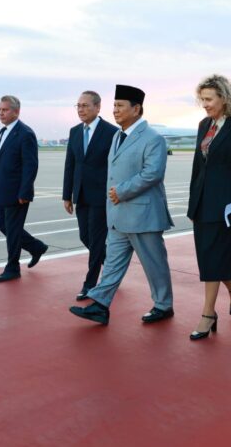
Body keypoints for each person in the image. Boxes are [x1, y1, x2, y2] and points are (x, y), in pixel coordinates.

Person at [69, 85, 174, 326]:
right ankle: (100, 305)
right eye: (114, 106)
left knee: (154, 264)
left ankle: (163, 305)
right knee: (112, 264)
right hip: (118, 215)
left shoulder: (153, 138)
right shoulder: (117, 136)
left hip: (143, 214)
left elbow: (153, 173)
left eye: (120, 106)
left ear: (136, 109)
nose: (115, 110)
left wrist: (122, 191)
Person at [187, 74, 231, 340]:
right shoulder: (204, 125)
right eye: (202, 99)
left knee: (213, 258)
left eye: (208, 99)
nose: (204, 104)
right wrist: (193, 203)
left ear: (224, 99)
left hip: (224, 205)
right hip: (202, 203)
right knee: (209, 256)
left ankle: (208, 314)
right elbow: (197, 167)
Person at [62, 91, 118, 301]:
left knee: (96, 240)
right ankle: (113, 270)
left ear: (97, 107)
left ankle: (90, 284)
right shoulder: (75, 131)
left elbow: (116, 166)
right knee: (85, 236)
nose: (81, 109)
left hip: (102, 196)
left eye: (85, 105)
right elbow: (70, 164)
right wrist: (67, 195)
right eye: (78, 106)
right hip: (81, 194)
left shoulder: (111, 132)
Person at [0, 95, 48, 283]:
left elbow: (31, 165)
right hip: (3, 190)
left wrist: (25, 191)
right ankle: (36, 247)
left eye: (5, 110)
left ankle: (13, 268)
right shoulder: (3, 131)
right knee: (2, 225)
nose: (1, 113)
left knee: (13, 230)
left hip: (16, 192)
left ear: (16, 111)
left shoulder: (25, 133)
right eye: (0, 110)